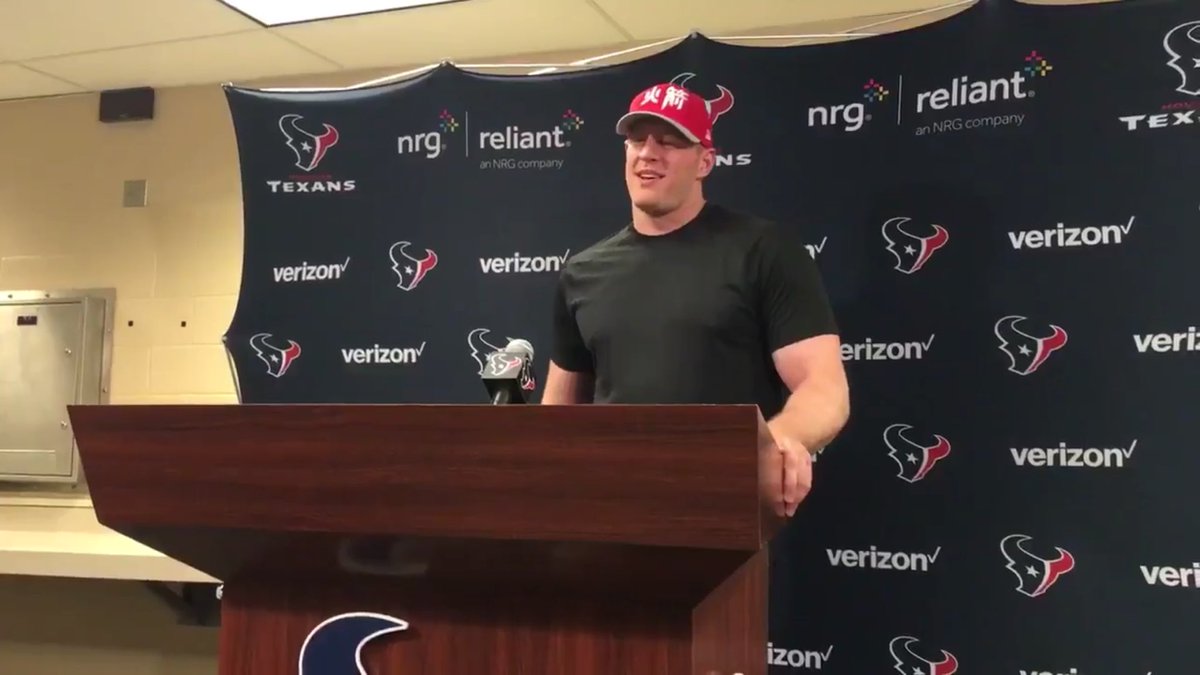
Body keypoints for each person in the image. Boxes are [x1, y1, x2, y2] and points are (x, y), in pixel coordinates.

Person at [541, 80, 850, 517]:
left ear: (705, 161)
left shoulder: (763, 249)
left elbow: (824, 387)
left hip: (723, 506)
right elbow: (557, 413)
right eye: (637, 140)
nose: (648, 153)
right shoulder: (582, 273)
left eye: (669, 141)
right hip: (610, 511)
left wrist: (777, 442)